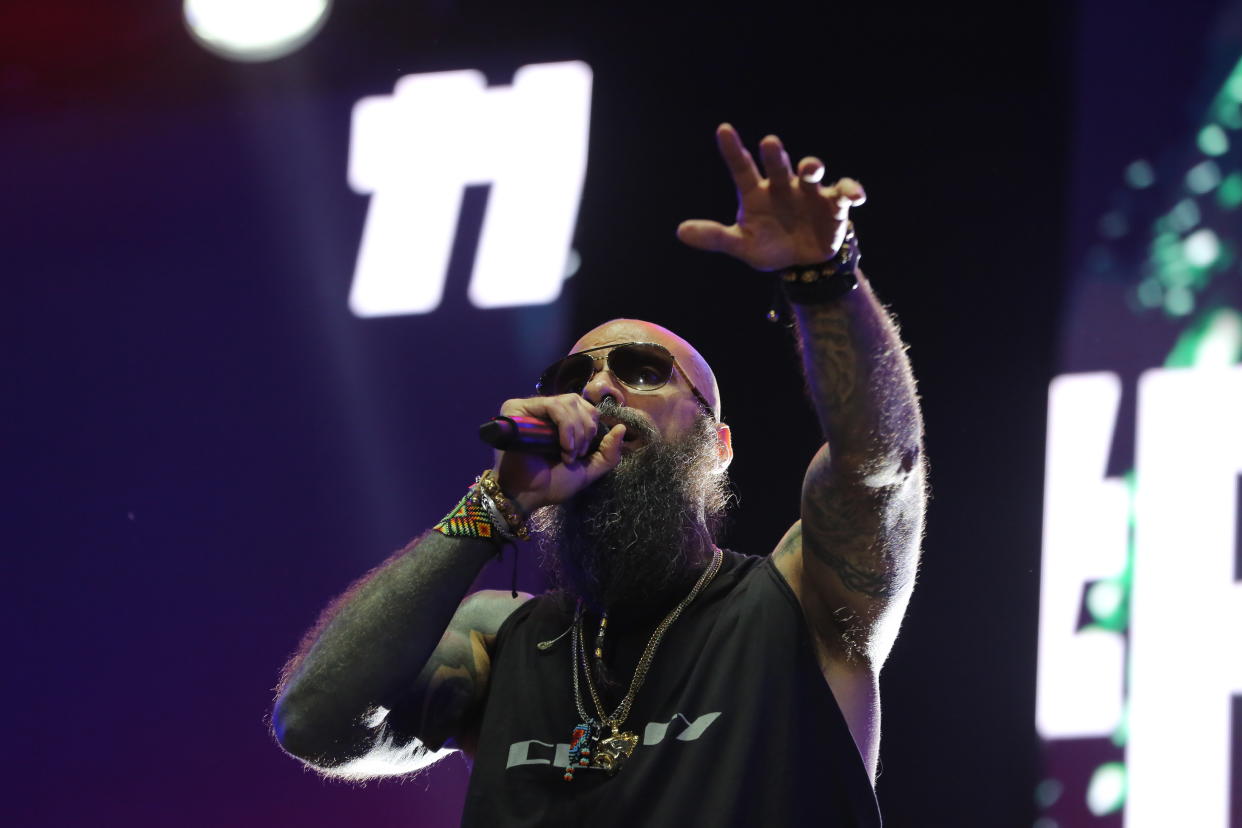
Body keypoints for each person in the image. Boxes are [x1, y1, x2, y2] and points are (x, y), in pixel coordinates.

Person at [272, 123, 926, 827]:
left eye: (643, 370)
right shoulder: (500, 640)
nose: (600, 389)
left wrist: (823, 279)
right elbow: (315, 724)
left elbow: (877, 465)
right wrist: (497, 503)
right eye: (574, 375)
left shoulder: (799, 603)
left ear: (720, 444)